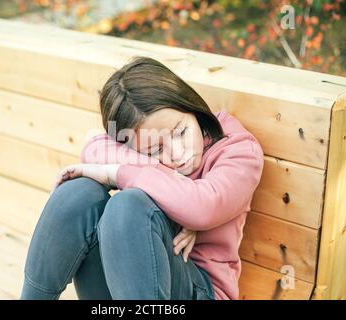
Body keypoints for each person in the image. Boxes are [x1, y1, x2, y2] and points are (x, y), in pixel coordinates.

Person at [19, 56, 264, 300]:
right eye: (154, 150)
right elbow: (94, 148)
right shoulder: (147, 141)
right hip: (128, 286)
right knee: (80, 192)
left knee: (129, 206)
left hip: (200, 289)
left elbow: (202, 207)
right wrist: (176, 193)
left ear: (191, 105)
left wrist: (117, 172)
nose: (178, 154)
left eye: (181, 132)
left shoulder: (238, 149)